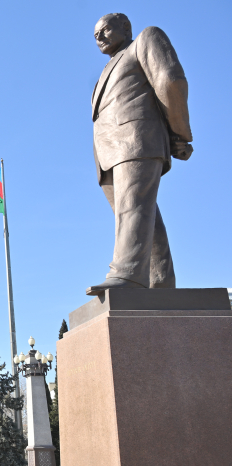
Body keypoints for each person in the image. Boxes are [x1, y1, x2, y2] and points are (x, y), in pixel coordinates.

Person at [87, 13, 192, 296]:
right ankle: (159, 280)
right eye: (94, 35)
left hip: (137, 139)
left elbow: (170, 81)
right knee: (142, 214)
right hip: (109, 155)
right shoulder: (108, 69)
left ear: (125, 27)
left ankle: (127, 274)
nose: (98, 37)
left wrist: (180, 133)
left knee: (134, 206)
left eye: (104, 30)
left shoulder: (145, 39)